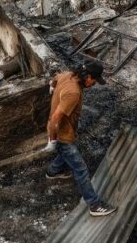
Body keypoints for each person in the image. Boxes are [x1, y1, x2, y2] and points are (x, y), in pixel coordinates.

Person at [45, 62, 117, 217]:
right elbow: (56, 117)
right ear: (87, 77)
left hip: (65, 132)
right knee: (81, 169)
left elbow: (54, 78)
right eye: (94, 80)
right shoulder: (74, 93)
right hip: (61, 134)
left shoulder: (67, 75)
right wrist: (52, 139)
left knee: (66, 152)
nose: (94, 84)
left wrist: (52, 86)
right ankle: (95, 205)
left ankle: (52, 172)